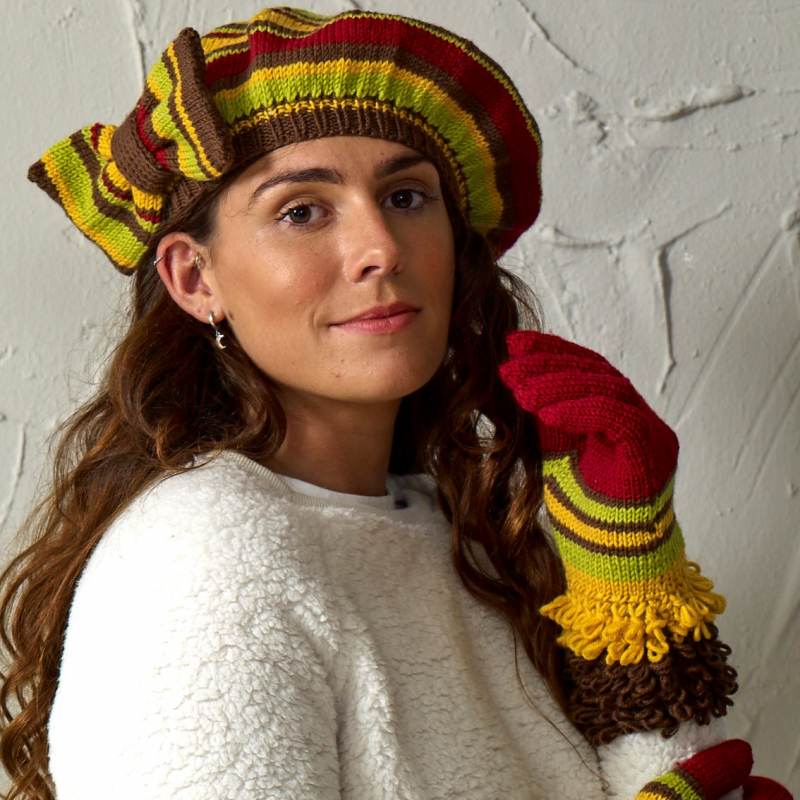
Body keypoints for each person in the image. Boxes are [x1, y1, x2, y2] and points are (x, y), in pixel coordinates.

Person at [0, 6, 791, 799]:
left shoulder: (464, 530)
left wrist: (625, 564)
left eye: (407, 196)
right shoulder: (200, 561)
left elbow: (680, 779)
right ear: (194, 278)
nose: (381, 248)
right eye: (302, 211)